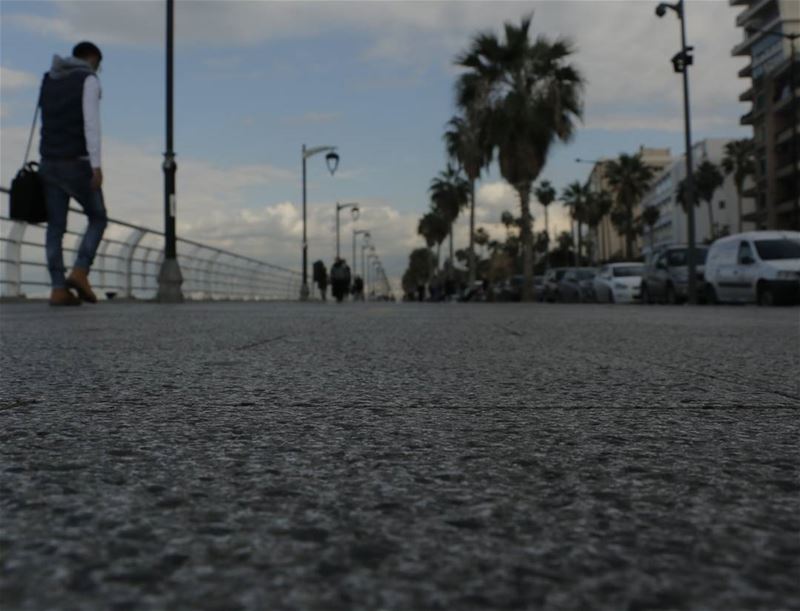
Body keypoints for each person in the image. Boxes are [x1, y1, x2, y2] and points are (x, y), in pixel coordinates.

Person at [39, 41, 108, 306]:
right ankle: (80, 271)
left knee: (55, 227)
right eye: (99, 65)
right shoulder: (87, 80)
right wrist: (96, 165)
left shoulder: (49, 78)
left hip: (48, 161)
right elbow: (91, 123)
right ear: (92, 58)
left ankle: (58, 288)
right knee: (98, 217)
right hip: (76, 162)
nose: (98, 70)